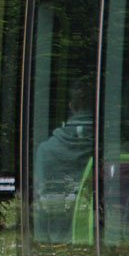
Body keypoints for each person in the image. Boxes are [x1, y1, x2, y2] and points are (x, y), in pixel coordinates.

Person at [33, 81, 94, 242]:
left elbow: (39, 201)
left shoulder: (45, 151)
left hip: (56, 242)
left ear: (71, 106)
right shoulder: (106, 145)